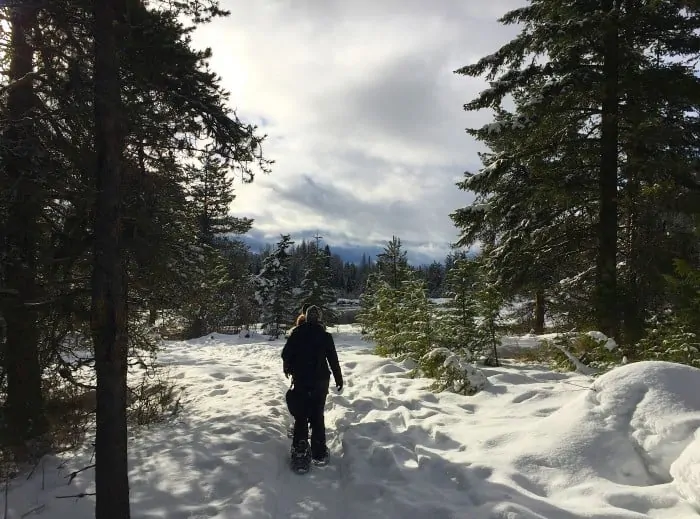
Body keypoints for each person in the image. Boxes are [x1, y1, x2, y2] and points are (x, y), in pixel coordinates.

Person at [282, 305, 343, 468]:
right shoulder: (325, 336)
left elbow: (285, 354)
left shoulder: (296, 333)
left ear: (307, 317)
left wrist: (287, 368)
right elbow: (333, 360)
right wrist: (339, 378)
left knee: (301, 415)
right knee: (317, 414)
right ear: (319, 319)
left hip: (301, 380)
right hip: (320, 381)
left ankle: (300, 452)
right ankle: (319, 452)